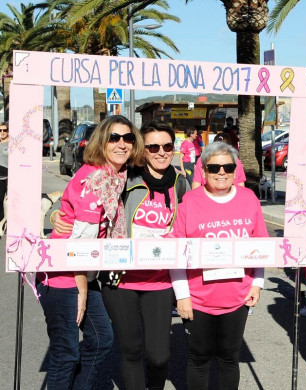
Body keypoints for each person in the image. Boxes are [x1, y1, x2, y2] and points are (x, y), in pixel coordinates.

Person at [52, 120, 189, 390]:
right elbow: (76, 198)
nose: (160, 152)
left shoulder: (181, 184)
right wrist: (54, 213)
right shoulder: (125, 175)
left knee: (159, 357)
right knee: (131, 350)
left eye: (167, 146)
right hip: (120, 278)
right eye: (153, 146)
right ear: (143, 150)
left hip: (160, 279)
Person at [37, 115, 143, 389]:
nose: (122, 144)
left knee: (101, 340)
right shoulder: (96, 180)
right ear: (101, 142)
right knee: (66, 354)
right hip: (63, 276)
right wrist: (82, 288)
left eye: (128, 138)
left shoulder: (115, 176)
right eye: (114, 138)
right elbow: (79, 245)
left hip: (82, 272)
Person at [168, 141, 268, 390]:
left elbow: (262, 246)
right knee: (199, 358)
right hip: (198, 299)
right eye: (214, 168)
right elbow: (176, 252)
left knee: (228, 358)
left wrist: (257, 283)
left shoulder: (249, 198)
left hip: (238, 297)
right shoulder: (190, 201)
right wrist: (182, 296)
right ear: (203, 170)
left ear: (236, 170)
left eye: (228, 167)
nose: (221, 172)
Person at [0, 122, 9, 221]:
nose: (2, 132)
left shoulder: (11, 143)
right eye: (0, 130)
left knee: (11, 202)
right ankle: (1, 226)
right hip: (0, 178)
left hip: (9, 177)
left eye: (4, 130)